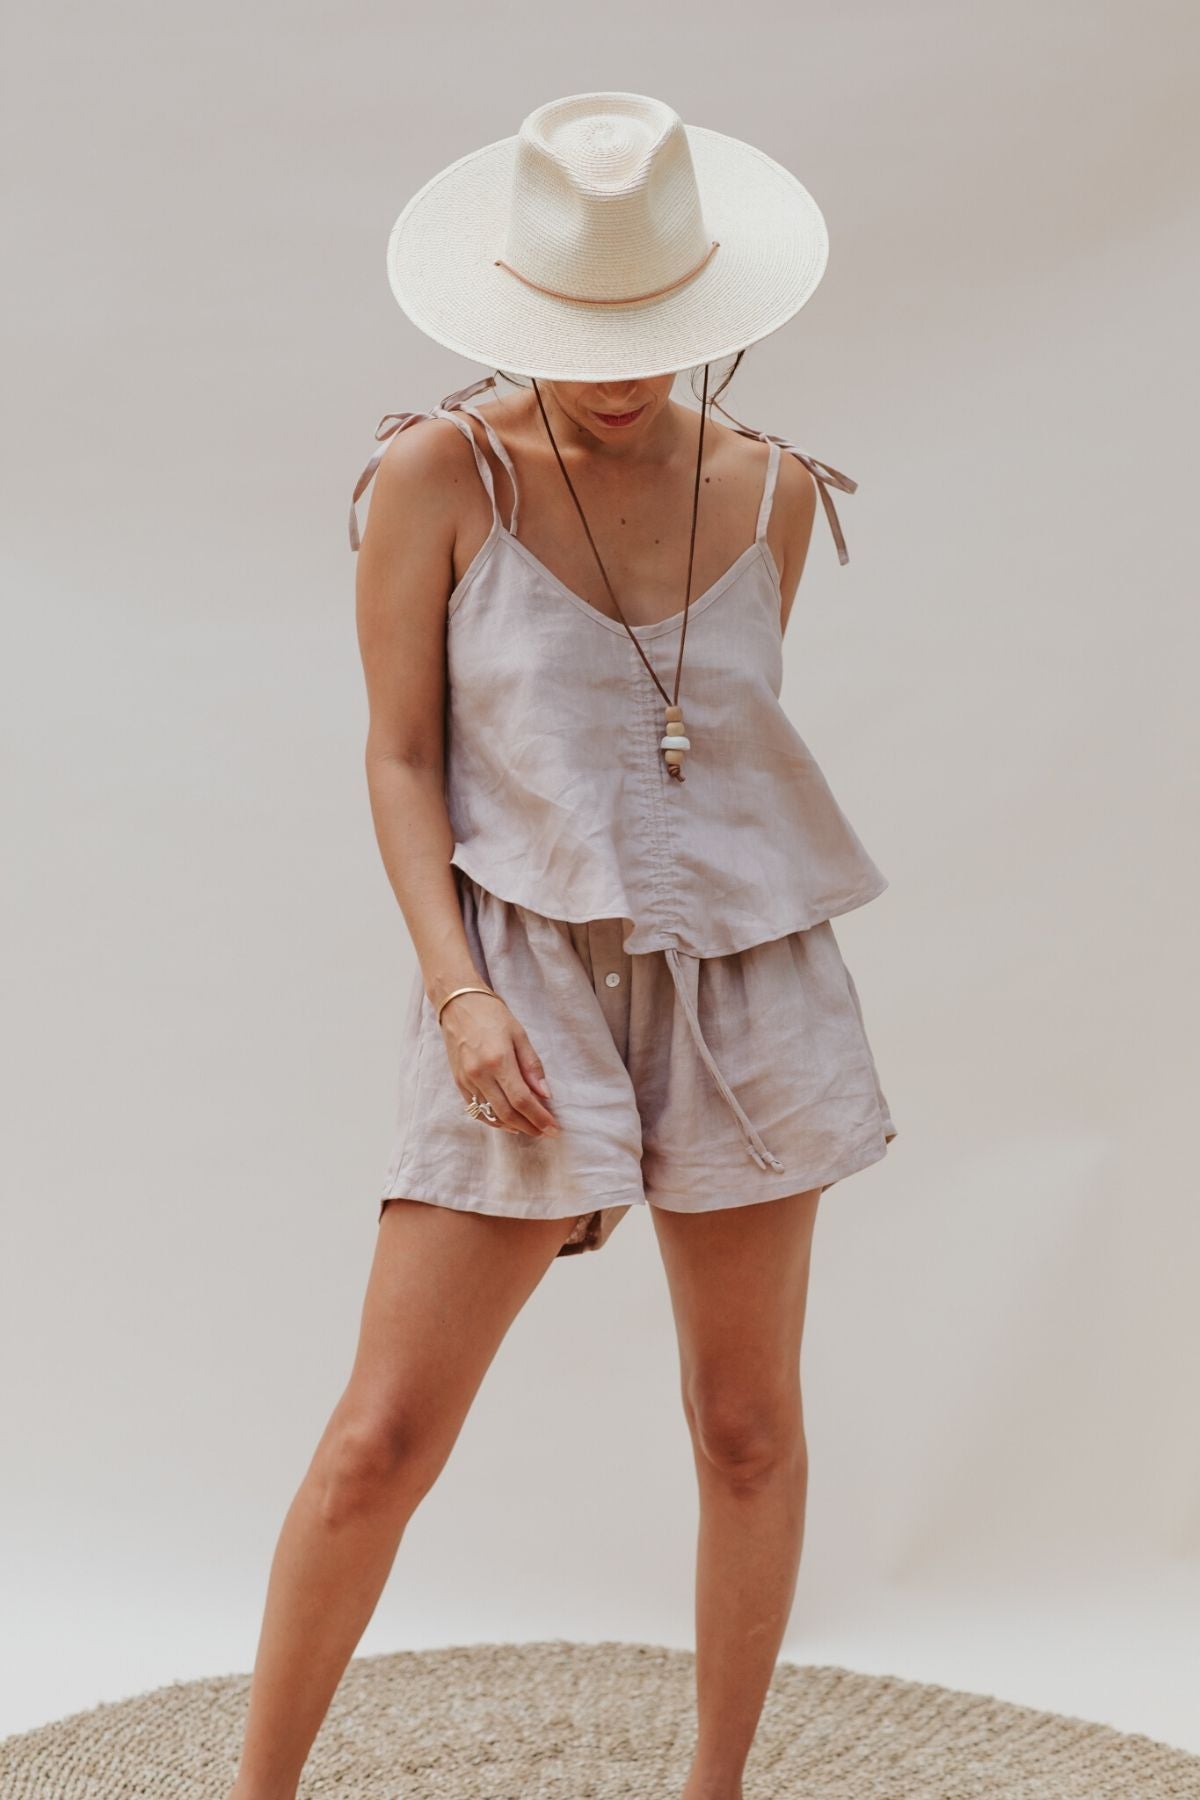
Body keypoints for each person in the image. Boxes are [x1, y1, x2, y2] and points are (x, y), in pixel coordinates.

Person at [225, 91, 897, 1800]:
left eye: (657, 331)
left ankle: (716, 1789)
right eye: (580, 330)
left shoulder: (772, 498)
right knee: (381, 1440)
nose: (620, 367)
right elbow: (398, 754)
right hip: (514, 981)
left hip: (748, 985)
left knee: (745, 1427)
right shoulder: (438, 474)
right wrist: (457, 991)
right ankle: (254, 1791)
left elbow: (709, 769)